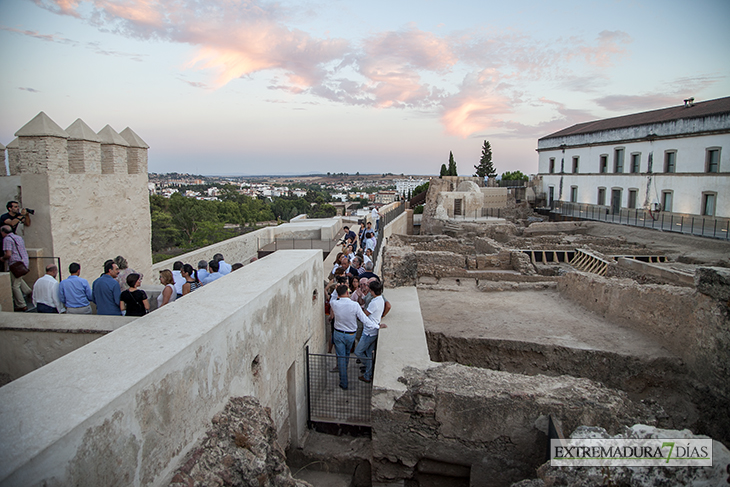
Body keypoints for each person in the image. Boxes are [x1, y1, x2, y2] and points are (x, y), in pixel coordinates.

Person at [329, 284, 375, 390]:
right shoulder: (354, 305)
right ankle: (344, 372)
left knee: (341, 356)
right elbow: (364, 319)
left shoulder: (334, 303)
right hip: (350, 335)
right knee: (346, 355)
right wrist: (376, 326)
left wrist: (336, 289)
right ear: (347, 293)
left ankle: (343, 380)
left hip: (338, 333)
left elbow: (332, 296)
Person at [355, 280, 389, 383]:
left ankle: (369, 366)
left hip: (369, 332)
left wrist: (356, 309)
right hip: (373, 330)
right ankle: (367, 375)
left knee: (358, 352)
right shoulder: (380, 300)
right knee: (369, 353)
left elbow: (364, 314)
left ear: (373, 291)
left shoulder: (374, 302)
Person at [1, 225, 31, 311]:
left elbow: (8, 254)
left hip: (15, 264)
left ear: (3, 232)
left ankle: (22, 305)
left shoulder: (7, 239)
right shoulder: (18, 237)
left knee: (15, 286)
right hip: (23, 262)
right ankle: (28, 292)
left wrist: (2, 258)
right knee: (18, 279)